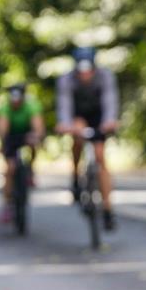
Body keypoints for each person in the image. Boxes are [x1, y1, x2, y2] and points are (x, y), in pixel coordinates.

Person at [55, 46, 120, 231]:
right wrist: (64, 123)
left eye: (88, 70)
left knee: (101, 157)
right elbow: (64, 104)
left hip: (98, 115)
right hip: (78, 116)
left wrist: (110, 121)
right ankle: (75, 176)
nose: (85, 75)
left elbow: (110, 101)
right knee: (77, 136)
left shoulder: (105, 76)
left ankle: (107, 209)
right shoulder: (66, 80)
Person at [0, 83, 44, 224]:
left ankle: (31, 171)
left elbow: (38, 127)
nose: (16, 103)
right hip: (11, 136)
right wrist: (3, 143)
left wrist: (37, 136)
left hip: (26, 134)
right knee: (10, 169)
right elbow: (2, 130)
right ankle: (7, 205)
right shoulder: (5, 108)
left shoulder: (31, 106)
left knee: (34, 144)